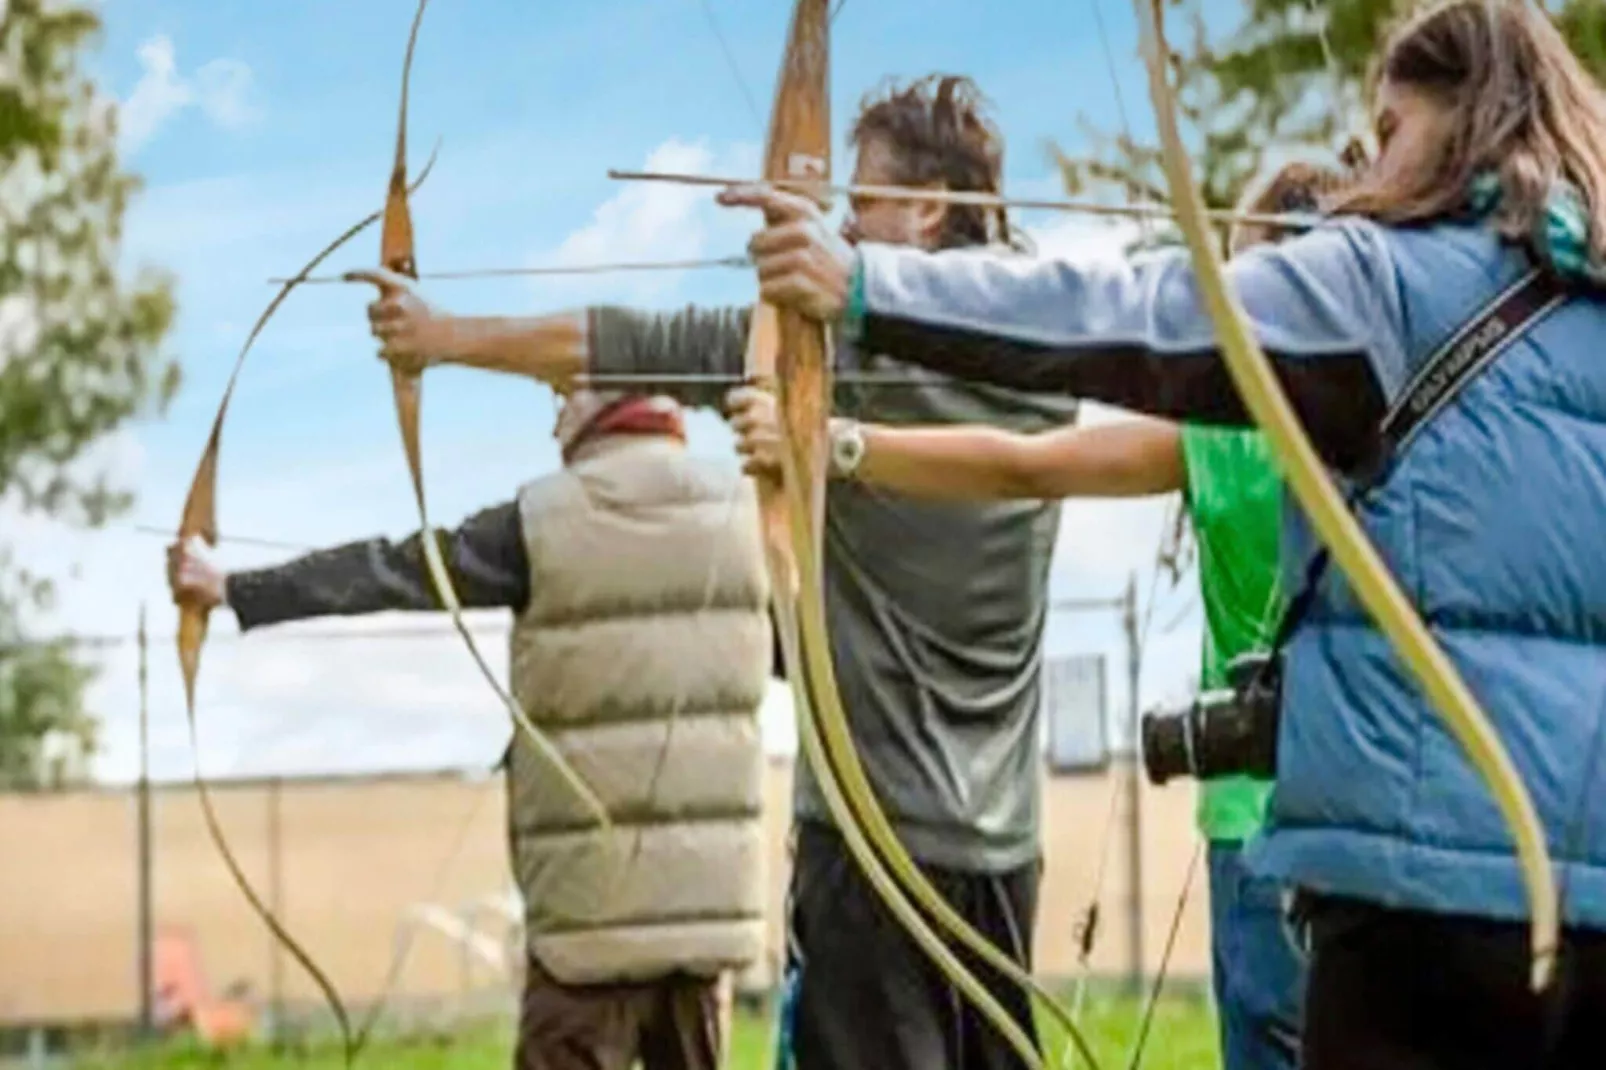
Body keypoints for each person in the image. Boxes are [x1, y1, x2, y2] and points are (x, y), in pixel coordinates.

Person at [720, 2, 1606, 1067]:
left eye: (1387, 133)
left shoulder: (1379, 276)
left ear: (1460, 128)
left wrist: (862, 281)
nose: (1368, 168)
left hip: (1414, 894)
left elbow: (1136, 310)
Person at [356, 75, 1080, 1070]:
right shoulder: (1046, 356)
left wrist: (442, 338)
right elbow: (625, 343)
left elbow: (632, 344)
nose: (838, 227)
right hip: (1002, 847)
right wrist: (448, 337)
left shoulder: (855, 357)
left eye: (856, 204)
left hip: (870, 854)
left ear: (927, 208)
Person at [726, 159, 1344, 1070]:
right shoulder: (1405, 418)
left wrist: (836, 444)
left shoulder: (1224, 432)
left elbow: (1029, 466)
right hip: (1382, 826)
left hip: (1255, 824)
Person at [166, 389, 772, 1070]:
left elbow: (396, 570)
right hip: (706, 931)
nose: (554, 417)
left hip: (587, 928)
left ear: (609, 397)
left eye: (565, 395)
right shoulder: (749, 515)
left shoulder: (546, 519)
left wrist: (234, 586)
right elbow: (804, 660)